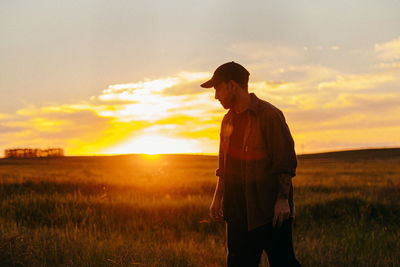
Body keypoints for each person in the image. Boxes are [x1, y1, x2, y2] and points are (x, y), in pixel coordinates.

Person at [201, 61, 301, 267]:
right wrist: (218, 197)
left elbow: (284, 162)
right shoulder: (227, 121)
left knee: (283, 263)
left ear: (232, 86)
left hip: (269, 212)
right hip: (236, 212)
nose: (216, 95)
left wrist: (282, 200)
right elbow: (224, 166)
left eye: (218, 88)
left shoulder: (269, 116)